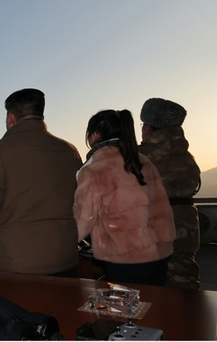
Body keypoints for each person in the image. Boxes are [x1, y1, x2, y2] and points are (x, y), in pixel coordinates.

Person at [0, 88, 83, 276]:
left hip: (15, 265)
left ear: (11, 117)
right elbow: (80, 201)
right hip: (65, 258)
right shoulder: (69, 152)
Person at [73, 109, 176, 286]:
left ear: (95, 135)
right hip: (159, 253)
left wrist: (60, 244)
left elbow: (82, 222)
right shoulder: (143, 160)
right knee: (153, 308)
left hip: (125, 257)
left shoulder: (93, 170)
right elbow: (162, 206)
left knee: (125, 311)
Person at [139, 98, 201, 289]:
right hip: (187, 225)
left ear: (148, 127)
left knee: (151, 288)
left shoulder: (140, 156)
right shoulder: (186, 156)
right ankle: (189, 317)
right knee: (185, 279)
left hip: (155, 226)